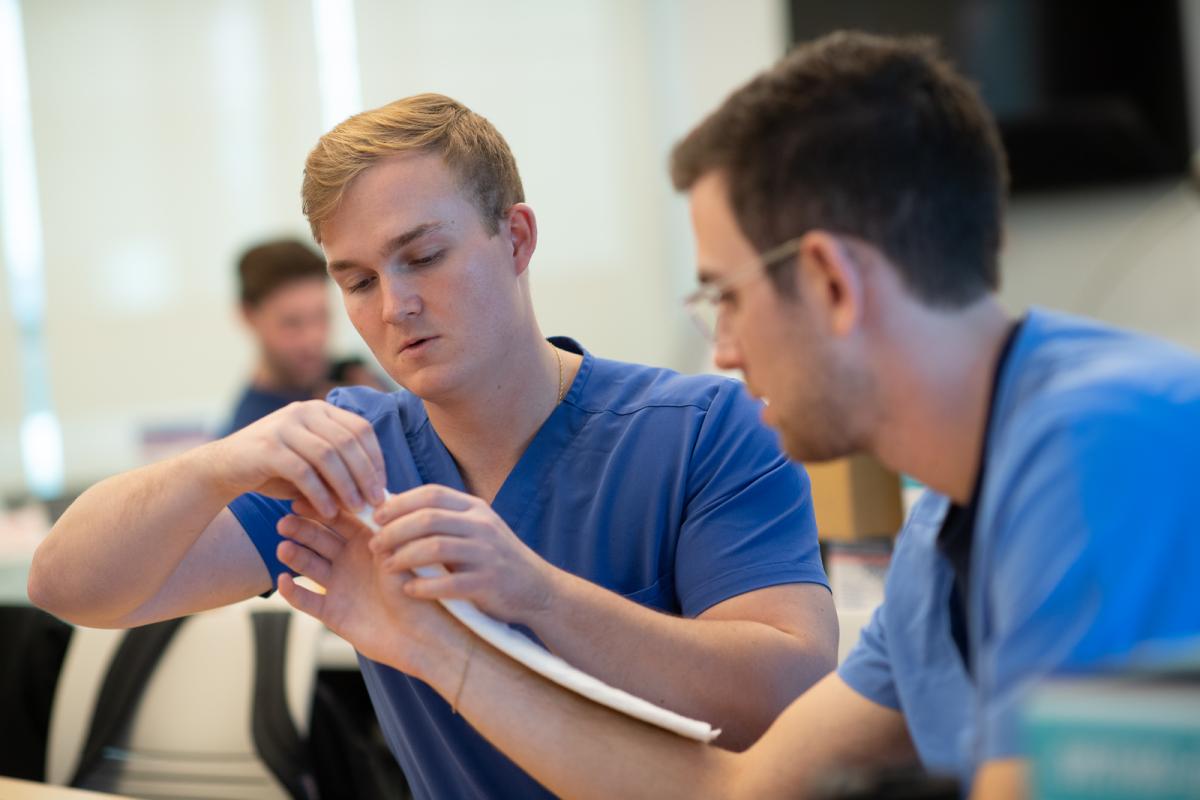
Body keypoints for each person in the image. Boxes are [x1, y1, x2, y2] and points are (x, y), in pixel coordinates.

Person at [267, 32, 1200, 798]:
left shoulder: (1101, 447)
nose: (722, 351)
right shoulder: (944, 540)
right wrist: (439, 650)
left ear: (831, 282)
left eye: (726, 297)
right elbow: (738, 792)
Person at [29, 94, 837, 798]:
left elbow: (788, 693)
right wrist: (215, 466)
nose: (397, 305)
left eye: (423, 257)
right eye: (359, 281)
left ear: (516, 239)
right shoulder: (350, 457)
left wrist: (537, 594)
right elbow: (70, 588)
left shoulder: (702, 428)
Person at [227, 238, 333, 432]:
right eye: (292, 323)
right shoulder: (248, 435)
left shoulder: (357, 379)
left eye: (321, 317)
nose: (313, 339)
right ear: (248, 316)